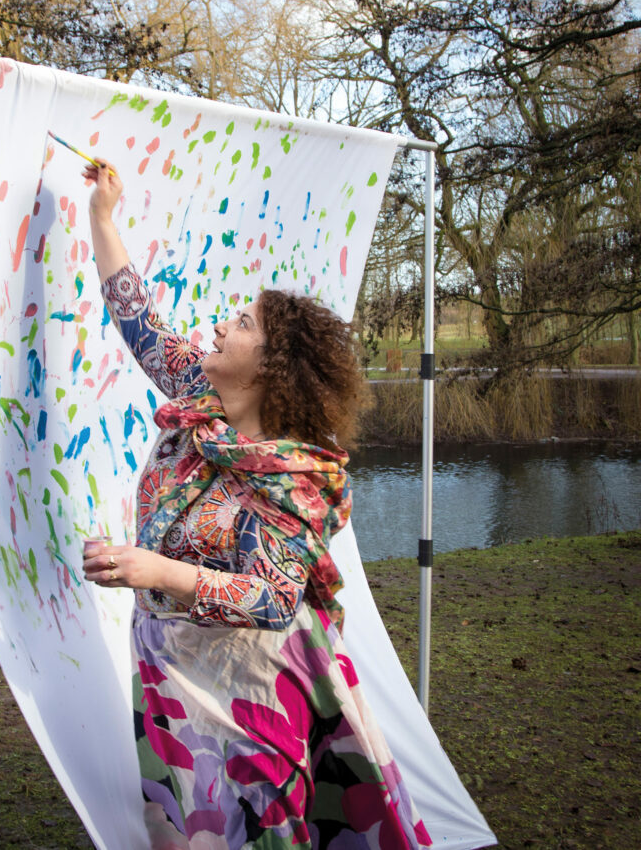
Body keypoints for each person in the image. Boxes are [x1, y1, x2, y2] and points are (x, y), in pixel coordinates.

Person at [80, 157, 431, 850]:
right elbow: (137, 318)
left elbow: (272, 598)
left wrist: (155, 571)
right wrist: (103, 216)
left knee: (259, 830)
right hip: (170, 671)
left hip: (253, 686)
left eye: (240, 322)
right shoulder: (201, 402)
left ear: (271, 365)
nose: (219, 326)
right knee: (185, 826)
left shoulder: (295, 479)